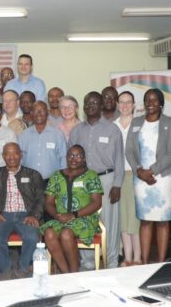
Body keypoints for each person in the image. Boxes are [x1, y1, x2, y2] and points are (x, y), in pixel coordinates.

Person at [69, 92, 124, 269]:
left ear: (101, 106)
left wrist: (117, 185)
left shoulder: (112, 129)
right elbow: (71, 159)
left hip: (107, 180)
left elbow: (119, 160)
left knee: (109, 223)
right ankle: (88, 262)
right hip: (83, 181)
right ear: (83, 107)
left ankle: (111, 261)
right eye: (87, 103)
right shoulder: (76, 130)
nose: (91, 105)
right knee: (84, 220)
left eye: (95, 102)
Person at [125, 88, 171, 264]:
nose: (151, 103)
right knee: (145, 221)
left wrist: (152, 171)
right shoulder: (136, 122)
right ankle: (145, 262)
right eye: (147, 100)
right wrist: (139, 170)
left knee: (163, 222)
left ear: (161, 103)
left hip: (162, 178)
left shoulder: (170, 123)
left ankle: (162, 261)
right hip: (141, 180)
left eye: (155, 100)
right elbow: (129, 150)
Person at [39, 145, 103, 273]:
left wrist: (74, 215)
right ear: (66, 158)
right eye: (71, 155)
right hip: (61, 218)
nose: (74, 159)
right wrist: (57, 215)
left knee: (66, 233)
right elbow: (48, 203)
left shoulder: (91, 175)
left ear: (84, 159)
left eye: (78, 156)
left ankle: (74, 273)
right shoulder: (56, 176)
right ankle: (66, 273)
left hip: (84, 218)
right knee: (49, 233)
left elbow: (97, 203)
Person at [0, 143, 44, 277]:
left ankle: (23, 268)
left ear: (21, 155)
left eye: (15, 153)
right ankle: (6, 268)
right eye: (8, 154)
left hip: (26, 214)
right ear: (3, 156)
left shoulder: (33, 174)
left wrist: (34, 215)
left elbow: (41, 198)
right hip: (3, 214)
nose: (11, 157)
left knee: (32, 237)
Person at [113, 91, 141, 266]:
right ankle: (127, 257)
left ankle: (137, 258)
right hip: (118, 175)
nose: (124, 105)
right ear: (117, 104)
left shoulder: (140, 124)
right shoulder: (112, 125)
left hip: (136, 174)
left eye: (128, 102)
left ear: (134, 105)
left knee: (135, 217)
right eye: (121, 102)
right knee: (123, 217)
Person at [18, 101, 67, 182]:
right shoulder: (24, 135)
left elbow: (63, 157)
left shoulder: (57, 134)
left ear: (47, 113)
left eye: (42, 110)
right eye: (36, 111)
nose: (39, 113)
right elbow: (20, 159)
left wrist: (62, 178)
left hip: (53, 181)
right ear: (31, 113)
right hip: (30, 181)